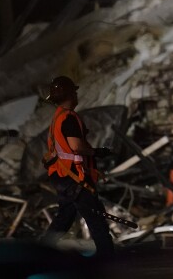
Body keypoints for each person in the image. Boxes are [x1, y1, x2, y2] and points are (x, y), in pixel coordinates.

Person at [40, 75, 115, 257]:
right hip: (74, 178)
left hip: (62, 175)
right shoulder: (69, 118)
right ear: (70, 94)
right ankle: (108, 259)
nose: (76, 95)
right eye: (74, 92)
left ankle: (39, 252)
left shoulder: (58, 117)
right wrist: (97, 152)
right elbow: (76, 147)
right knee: (96, 218)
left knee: (65, 218)